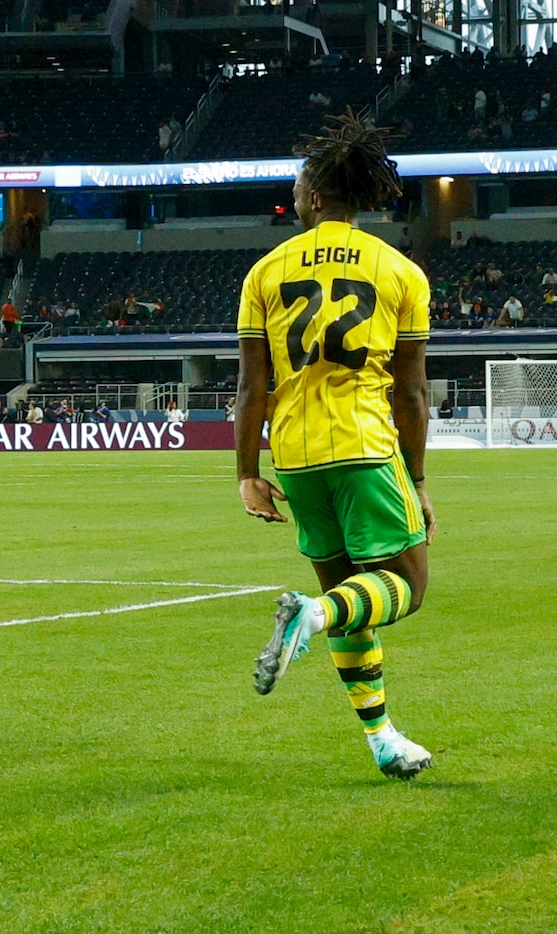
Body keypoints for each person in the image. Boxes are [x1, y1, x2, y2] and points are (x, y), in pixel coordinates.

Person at [235, 113, 436, 780]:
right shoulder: (401, 272)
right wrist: (419, 480)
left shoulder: (264, 271)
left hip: (295, 455)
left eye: (296, 186)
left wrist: (246, 474)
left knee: (354, 597)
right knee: (407, 584)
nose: (293, 196)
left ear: (316, 196)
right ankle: (311, 614)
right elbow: (410, 395)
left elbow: (250, 385)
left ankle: (382, 739)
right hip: (363, 440)